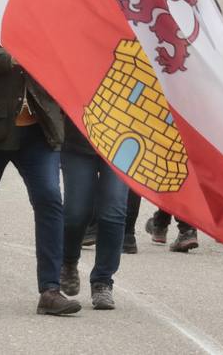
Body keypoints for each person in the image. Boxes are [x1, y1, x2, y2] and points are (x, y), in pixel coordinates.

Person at [0, 11, 79, 315]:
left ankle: (50, 289)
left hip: (38, 127)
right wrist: (13, 57)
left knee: (49, 200)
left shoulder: (43, 9)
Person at [60, 124, 128, 311]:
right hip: (77, 140)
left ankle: (103, 281)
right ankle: (68, 261)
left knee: (114, 212)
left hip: (122, 143)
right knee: (76, 213)